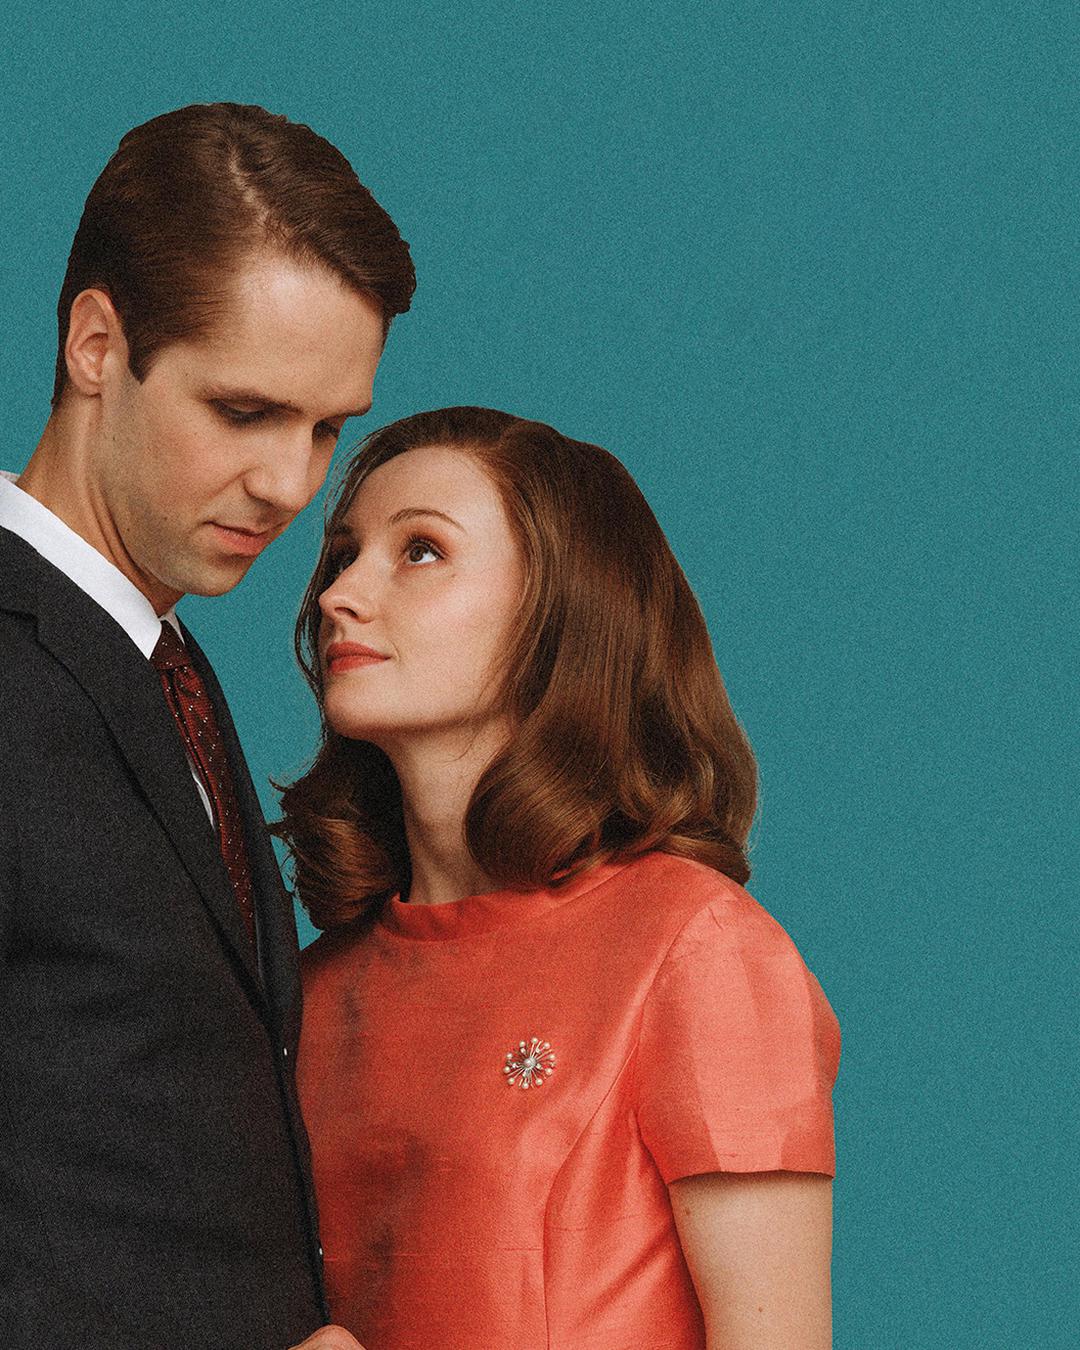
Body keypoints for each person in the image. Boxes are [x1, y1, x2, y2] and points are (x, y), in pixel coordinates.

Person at [278, 406, 842, 1349]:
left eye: (421, 551)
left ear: (563, 611)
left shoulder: (698, 950)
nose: (341, 594)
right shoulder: (310, 991)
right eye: (343, 554)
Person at [0, 102, 414, 1350]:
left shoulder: (160, 661)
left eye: (327, 428)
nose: (292, 485)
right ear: (96, 345)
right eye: (243, 412)